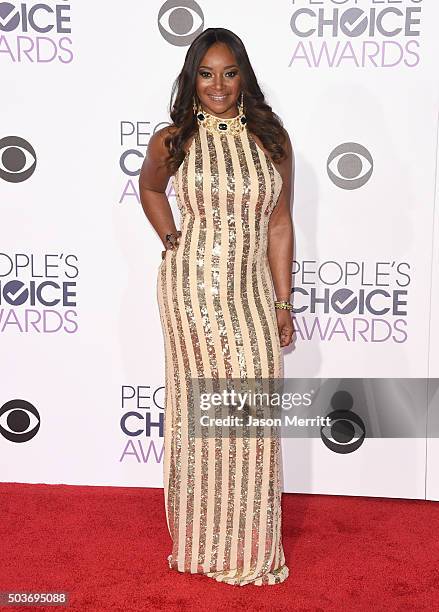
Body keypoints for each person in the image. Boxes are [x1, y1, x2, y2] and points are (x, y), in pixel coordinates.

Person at [139, 27, 294, 586]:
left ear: (244, 76)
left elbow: (279, 224)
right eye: (207, 74)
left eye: (230, 73)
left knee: (251, 417)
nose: (219, 85)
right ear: (192, 78)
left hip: (250, 293)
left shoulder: (271, 140)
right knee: (200, 420)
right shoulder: (172, 139)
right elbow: (151, 189)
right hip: (190, 295)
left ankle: (250, 546)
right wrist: (171, 237)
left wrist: (283, 301)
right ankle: (202, 544)